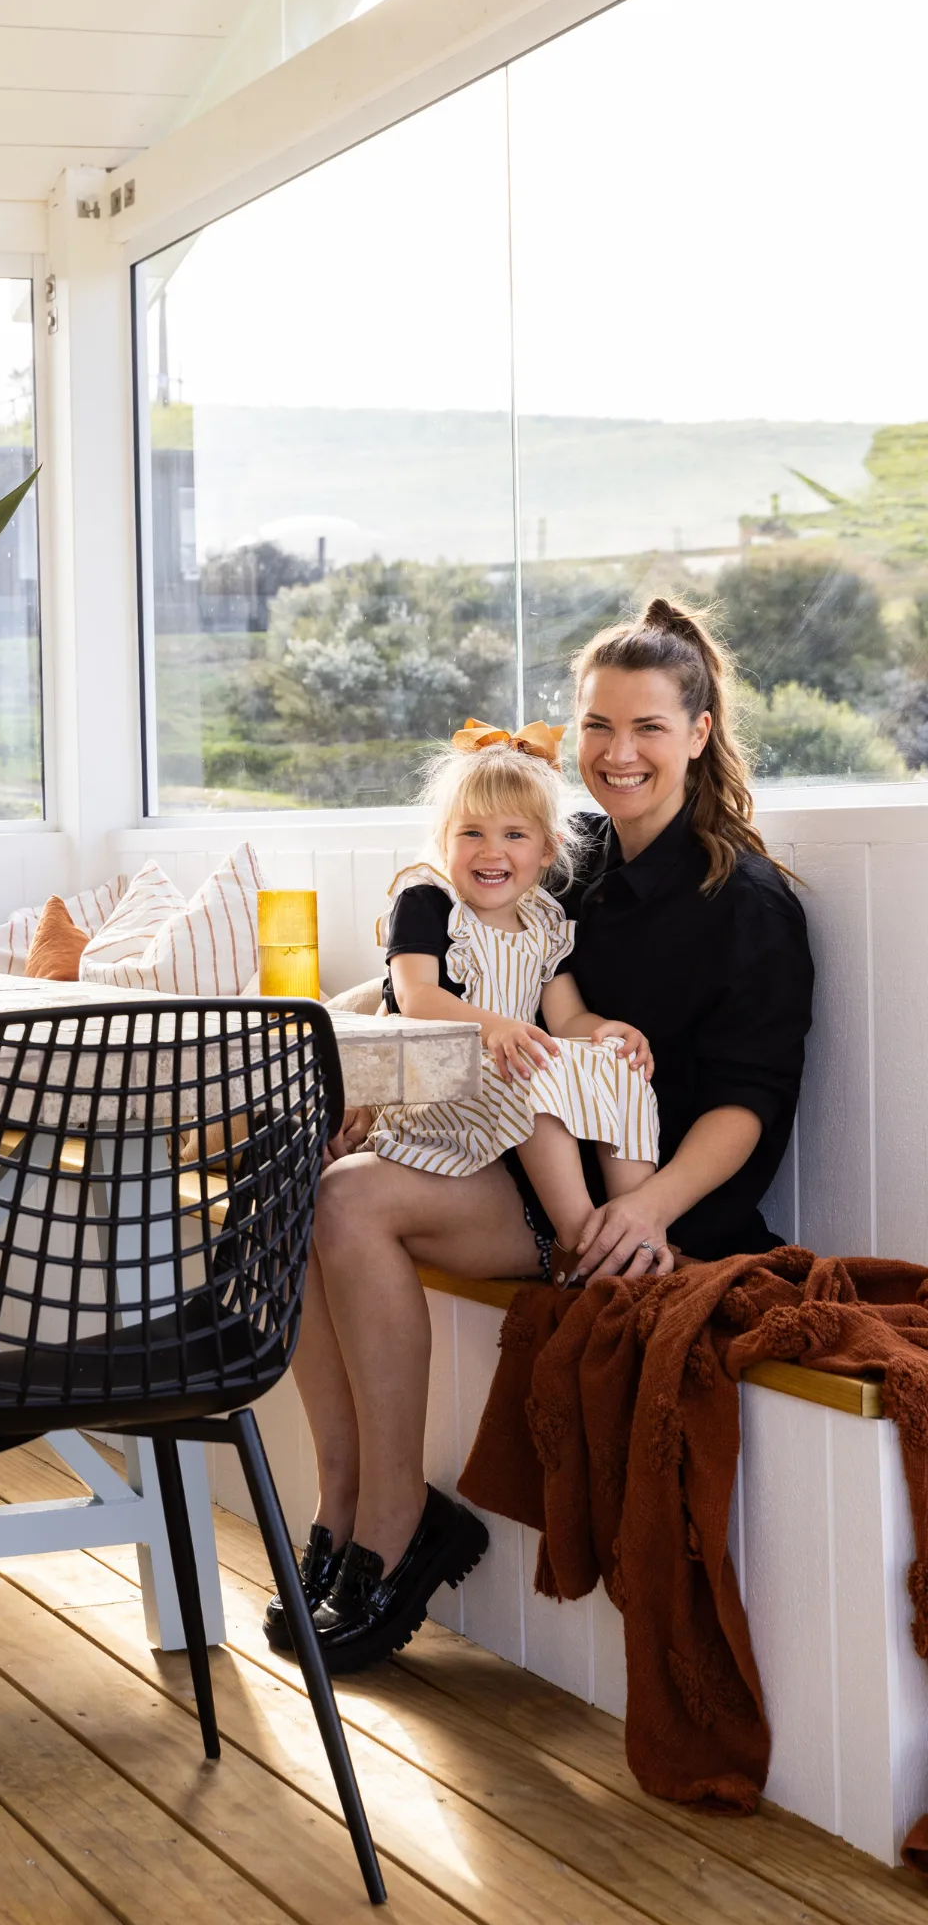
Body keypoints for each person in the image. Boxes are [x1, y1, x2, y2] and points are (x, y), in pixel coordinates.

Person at [270, 598, 813, 1676]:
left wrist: (641, 1211)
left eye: (649, 727)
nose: (618, 754)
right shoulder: (564, 863)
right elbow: (439, 971)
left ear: (699, 732)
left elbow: (751, 1103)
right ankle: (341, 1500)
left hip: (645, 1195)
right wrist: (364, 1071)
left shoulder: (747, 902)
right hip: (510, 1146)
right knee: (299, 1176)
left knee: (348, 1203)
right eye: (598, 727)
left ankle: (395, 1525)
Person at [368, 721, 660, 1290]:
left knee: (618, 1067)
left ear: (547, 848)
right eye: (471, 833)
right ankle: (584, 1247)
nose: (491, 851)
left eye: (514, 836)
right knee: (527, 1068)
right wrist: (496, 1028)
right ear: (445, 838)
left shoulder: (544, 921)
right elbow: (415, 996)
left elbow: (568, 1018)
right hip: (436, 1080)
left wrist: (608, 1032)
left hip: (504, 1071)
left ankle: (638, 1237)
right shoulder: (427, 900)